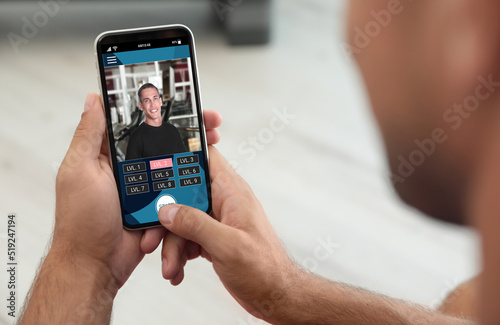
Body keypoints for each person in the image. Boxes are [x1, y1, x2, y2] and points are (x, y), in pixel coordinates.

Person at [18, 0, 500, 323]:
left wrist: (80, 265)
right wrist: (287, 290)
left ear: (474, 31)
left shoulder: (173, 132)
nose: (354, 35)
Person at [125, 83, 186, 160]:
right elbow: (131, 170)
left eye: (155, 98)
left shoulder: (173, 130)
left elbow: (184, 161)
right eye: (147, 100)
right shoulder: (136, 138)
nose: (152, 104)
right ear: (141, 106)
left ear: (160, 101)